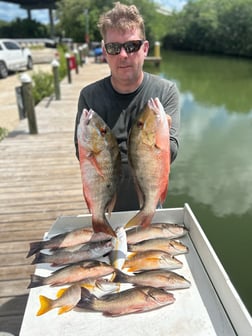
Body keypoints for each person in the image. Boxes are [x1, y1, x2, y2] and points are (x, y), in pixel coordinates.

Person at [74, 2, 180, 212]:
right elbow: (82, 153)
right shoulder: (89, 96)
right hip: (105, 207)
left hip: (149, 204)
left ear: (145, 49)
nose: (123, 55)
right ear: (105, 52)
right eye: (114, 48)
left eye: (132, 46)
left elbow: (173, 150)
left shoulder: (165, 91)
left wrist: (161, 135)